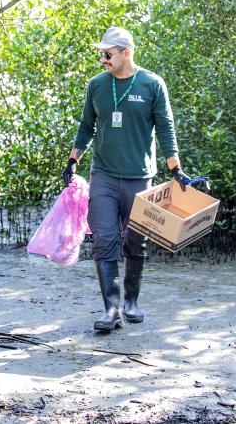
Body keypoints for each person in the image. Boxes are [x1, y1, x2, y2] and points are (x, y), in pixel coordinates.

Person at [62, 26, 189, 332]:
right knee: (104, 239)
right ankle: (111, 310)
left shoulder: (152, 84)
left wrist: (175, 169)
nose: (102, 59)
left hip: (139, 177)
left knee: (135, 241)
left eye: (108, 54)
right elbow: (86, 126)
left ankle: (131, 302)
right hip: (103, 175)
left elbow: (166, 129)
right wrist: (72, 160)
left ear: (126, 53)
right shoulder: (97, 85)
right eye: (101, 54)